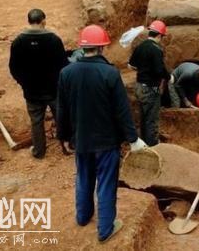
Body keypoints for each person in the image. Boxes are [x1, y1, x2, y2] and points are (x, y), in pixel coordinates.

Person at [56, 25, 147, 243]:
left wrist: (64, 137)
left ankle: (82, 216)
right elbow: (122, 110)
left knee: (84, 177)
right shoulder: (110, 73)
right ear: (102, 48)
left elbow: (62, 109)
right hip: (106, 141)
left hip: (81, 139)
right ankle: (105, 228)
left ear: (82, 48)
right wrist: (133, 139)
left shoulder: (66, 73)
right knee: (106, 182)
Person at [8, 8, 68, 159]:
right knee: (60, 117)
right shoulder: (54, 39)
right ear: (44, 21)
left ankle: (39, 151)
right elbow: (63, 65)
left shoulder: (18, 42)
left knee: (36, 121)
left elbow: (14, 68)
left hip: (32, 91)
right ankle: (67, 146)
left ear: (28, 21)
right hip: (53, 89)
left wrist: (23, 83)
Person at [128, 20, 169, 146]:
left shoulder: (140, 46)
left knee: (143, 118)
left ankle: (143, 144)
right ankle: (152, 146)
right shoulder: (157, 50)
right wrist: (169, 77)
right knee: (152, 119)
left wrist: (143, 69)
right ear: (160, 35)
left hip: (139, 86)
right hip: (151, 88)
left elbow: (131, 66)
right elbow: (159, 71)